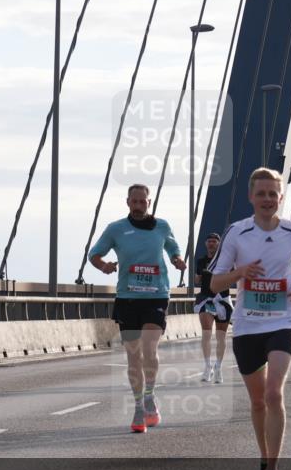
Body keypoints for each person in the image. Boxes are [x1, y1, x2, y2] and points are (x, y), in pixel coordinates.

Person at [210, 167, 291, 470]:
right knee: (257, 402)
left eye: (273, 194)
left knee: (273, 394)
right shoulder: (237, 232)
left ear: (281, 198)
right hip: (247, 324)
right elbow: (215, 283)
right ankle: (263, 458)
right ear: (251, 197)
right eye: (261, 193)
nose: (267, 199)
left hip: (283, 320)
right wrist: (240, 272)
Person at [90, 184, 185, 434]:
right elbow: (94, 254)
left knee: (149, 349)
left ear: (149, 203)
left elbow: (173, 248)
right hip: (128, 298)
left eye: (143, 202)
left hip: (156, 296)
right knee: (133, 356)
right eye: (135, 202)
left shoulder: (162, 226)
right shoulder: (116, 229)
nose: (139, 206)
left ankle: (150, 394)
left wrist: (176, 259)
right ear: (128, 202)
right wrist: (103, 266)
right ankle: (139, 407)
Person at [194, 232, 233, 383]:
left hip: (222, 299)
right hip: (206, 299)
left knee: (221, 336)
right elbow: (197, 279)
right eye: (209, 241)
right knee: (206, 333)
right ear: (206, 244)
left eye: (214, 241)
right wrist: (198, 277)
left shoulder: (226, 260)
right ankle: (207, 366)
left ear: (219, 244)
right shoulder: (201, 261)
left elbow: (233, 277)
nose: (211, 244)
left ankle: (218, 367)